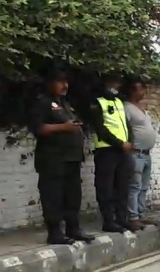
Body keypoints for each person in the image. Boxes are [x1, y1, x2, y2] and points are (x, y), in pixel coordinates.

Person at [29, 67, 94, 245]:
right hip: (53, 159)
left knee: (73, 196)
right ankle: (54, 232)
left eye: (66, 82)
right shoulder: (42, 103)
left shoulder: (65, 104)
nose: (65, 85)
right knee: (53, 196)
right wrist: (64, 127)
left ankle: (73, 228)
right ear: (50, 83)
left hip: (72, 158)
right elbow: (39, 128)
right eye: (60, 82)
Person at [89, 74, 135, 233]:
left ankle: (122, 219)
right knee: (106, 188)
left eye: (118, 83)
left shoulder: (118, 101)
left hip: (123, 151)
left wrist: (130, 141)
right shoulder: (97, 102)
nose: (117, 86)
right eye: (114, 82)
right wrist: (120, 143)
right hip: (107, 151)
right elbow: (101, 129)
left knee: (122, 187)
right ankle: (108, 221)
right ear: (106, 83)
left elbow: (126, 125)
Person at [121, 79, 157, 230]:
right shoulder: (127, 108)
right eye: (140, 89)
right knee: (134, 186)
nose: (143, 92)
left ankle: (141, 214)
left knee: (143, 187)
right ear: (132, 91)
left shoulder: (140, 107)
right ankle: (133, 217)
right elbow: (125, 128)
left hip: (146, 154)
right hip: (136, 153)